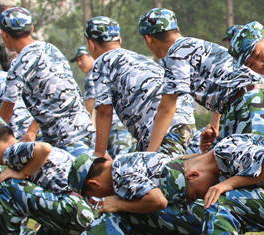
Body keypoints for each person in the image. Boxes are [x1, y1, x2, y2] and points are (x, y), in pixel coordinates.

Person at [31, 150, 204, 235]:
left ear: (94, 183)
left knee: (119, 216)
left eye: (92, 195)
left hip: (198, 215)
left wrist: (119, 204)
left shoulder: (120, 172)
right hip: (198, 221)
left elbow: (159, 201)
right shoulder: (127, 160)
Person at [138, 9, 264, 153]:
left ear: (148, 38)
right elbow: (226, 88)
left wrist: (150, 154)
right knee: (226, 165)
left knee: (255, 163)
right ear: (177, 29)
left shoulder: (176, 52)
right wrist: (215, 130)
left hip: (247, 104)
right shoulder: (192, 45)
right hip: (244, 103)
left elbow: (167, 108)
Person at [0, 116, 96, 235]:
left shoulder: (12, 151)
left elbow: (44, 148)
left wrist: (22, 173)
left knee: (5, 185)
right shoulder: (23, 152)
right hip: (83, 214)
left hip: (73, 209)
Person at [83, 16, 195, 158]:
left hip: (161, 128)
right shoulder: (137, 58)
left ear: (91, 44)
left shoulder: (102, 62)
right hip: (183, 121)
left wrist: (99, 154)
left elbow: (104, 111)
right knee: (128, 162)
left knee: (151, 175)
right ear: (119, 41)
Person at [0, 7, 95, 156]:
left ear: (4, 34)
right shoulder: (51, 50)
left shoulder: (18, 65)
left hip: (64, 142)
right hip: (86, 130)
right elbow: (52, 98)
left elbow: (4, 115)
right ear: (31, 29)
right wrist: (31, 131)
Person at [70, 45, 134, 159]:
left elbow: (89, 105)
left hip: (114, 127)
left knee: (122, 162)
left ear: (90, 55)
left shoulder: (93, 75)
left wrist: (85, 131)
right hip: (113, 126)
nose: (80, 63)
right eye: (77, 60)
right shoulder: (101, 71)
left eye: (82, 58)